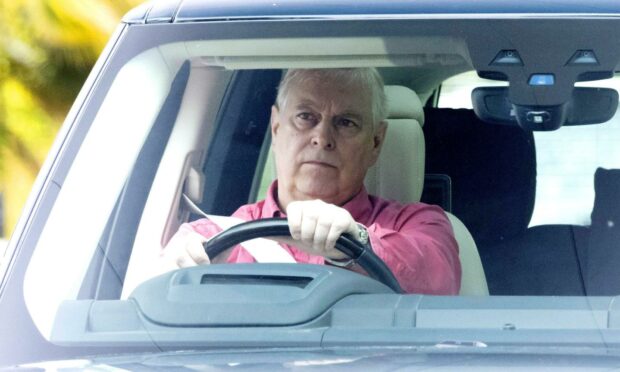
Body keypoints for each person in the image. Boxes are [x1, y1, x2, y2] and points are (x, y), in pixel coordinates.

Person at [162, 68, 461, 295]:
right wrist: (174, 275)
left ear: (375, 143)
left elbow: (439, 280)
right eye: (306, 116)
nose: (322, 138)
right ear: (276, 128)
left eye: (346, 122)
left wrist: (353, 244)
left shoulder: (419, 224)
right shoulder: (212, 238)